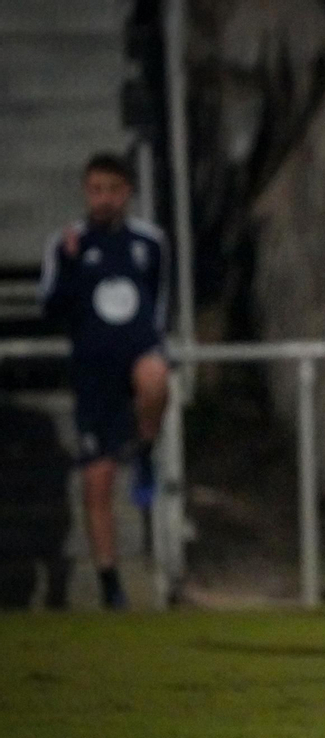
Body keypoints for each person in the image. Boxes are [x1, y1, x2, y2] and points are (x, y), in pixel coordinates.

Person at [39, 152, 171, 610]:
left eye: (112, 189)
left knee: (156, 374)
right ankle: (110, 583)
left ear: (127, 191)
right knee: (97, 482)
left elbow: (158, 303)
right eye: (95, 189)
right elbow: (51, 307)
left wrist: (153, 341)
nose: (103, 198)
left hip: (136, 357)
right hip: (93, 375)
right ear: (85, 191)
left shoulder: (149, 242)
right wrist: (73, 265)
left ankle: (146, 447)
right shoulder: (66, 243)